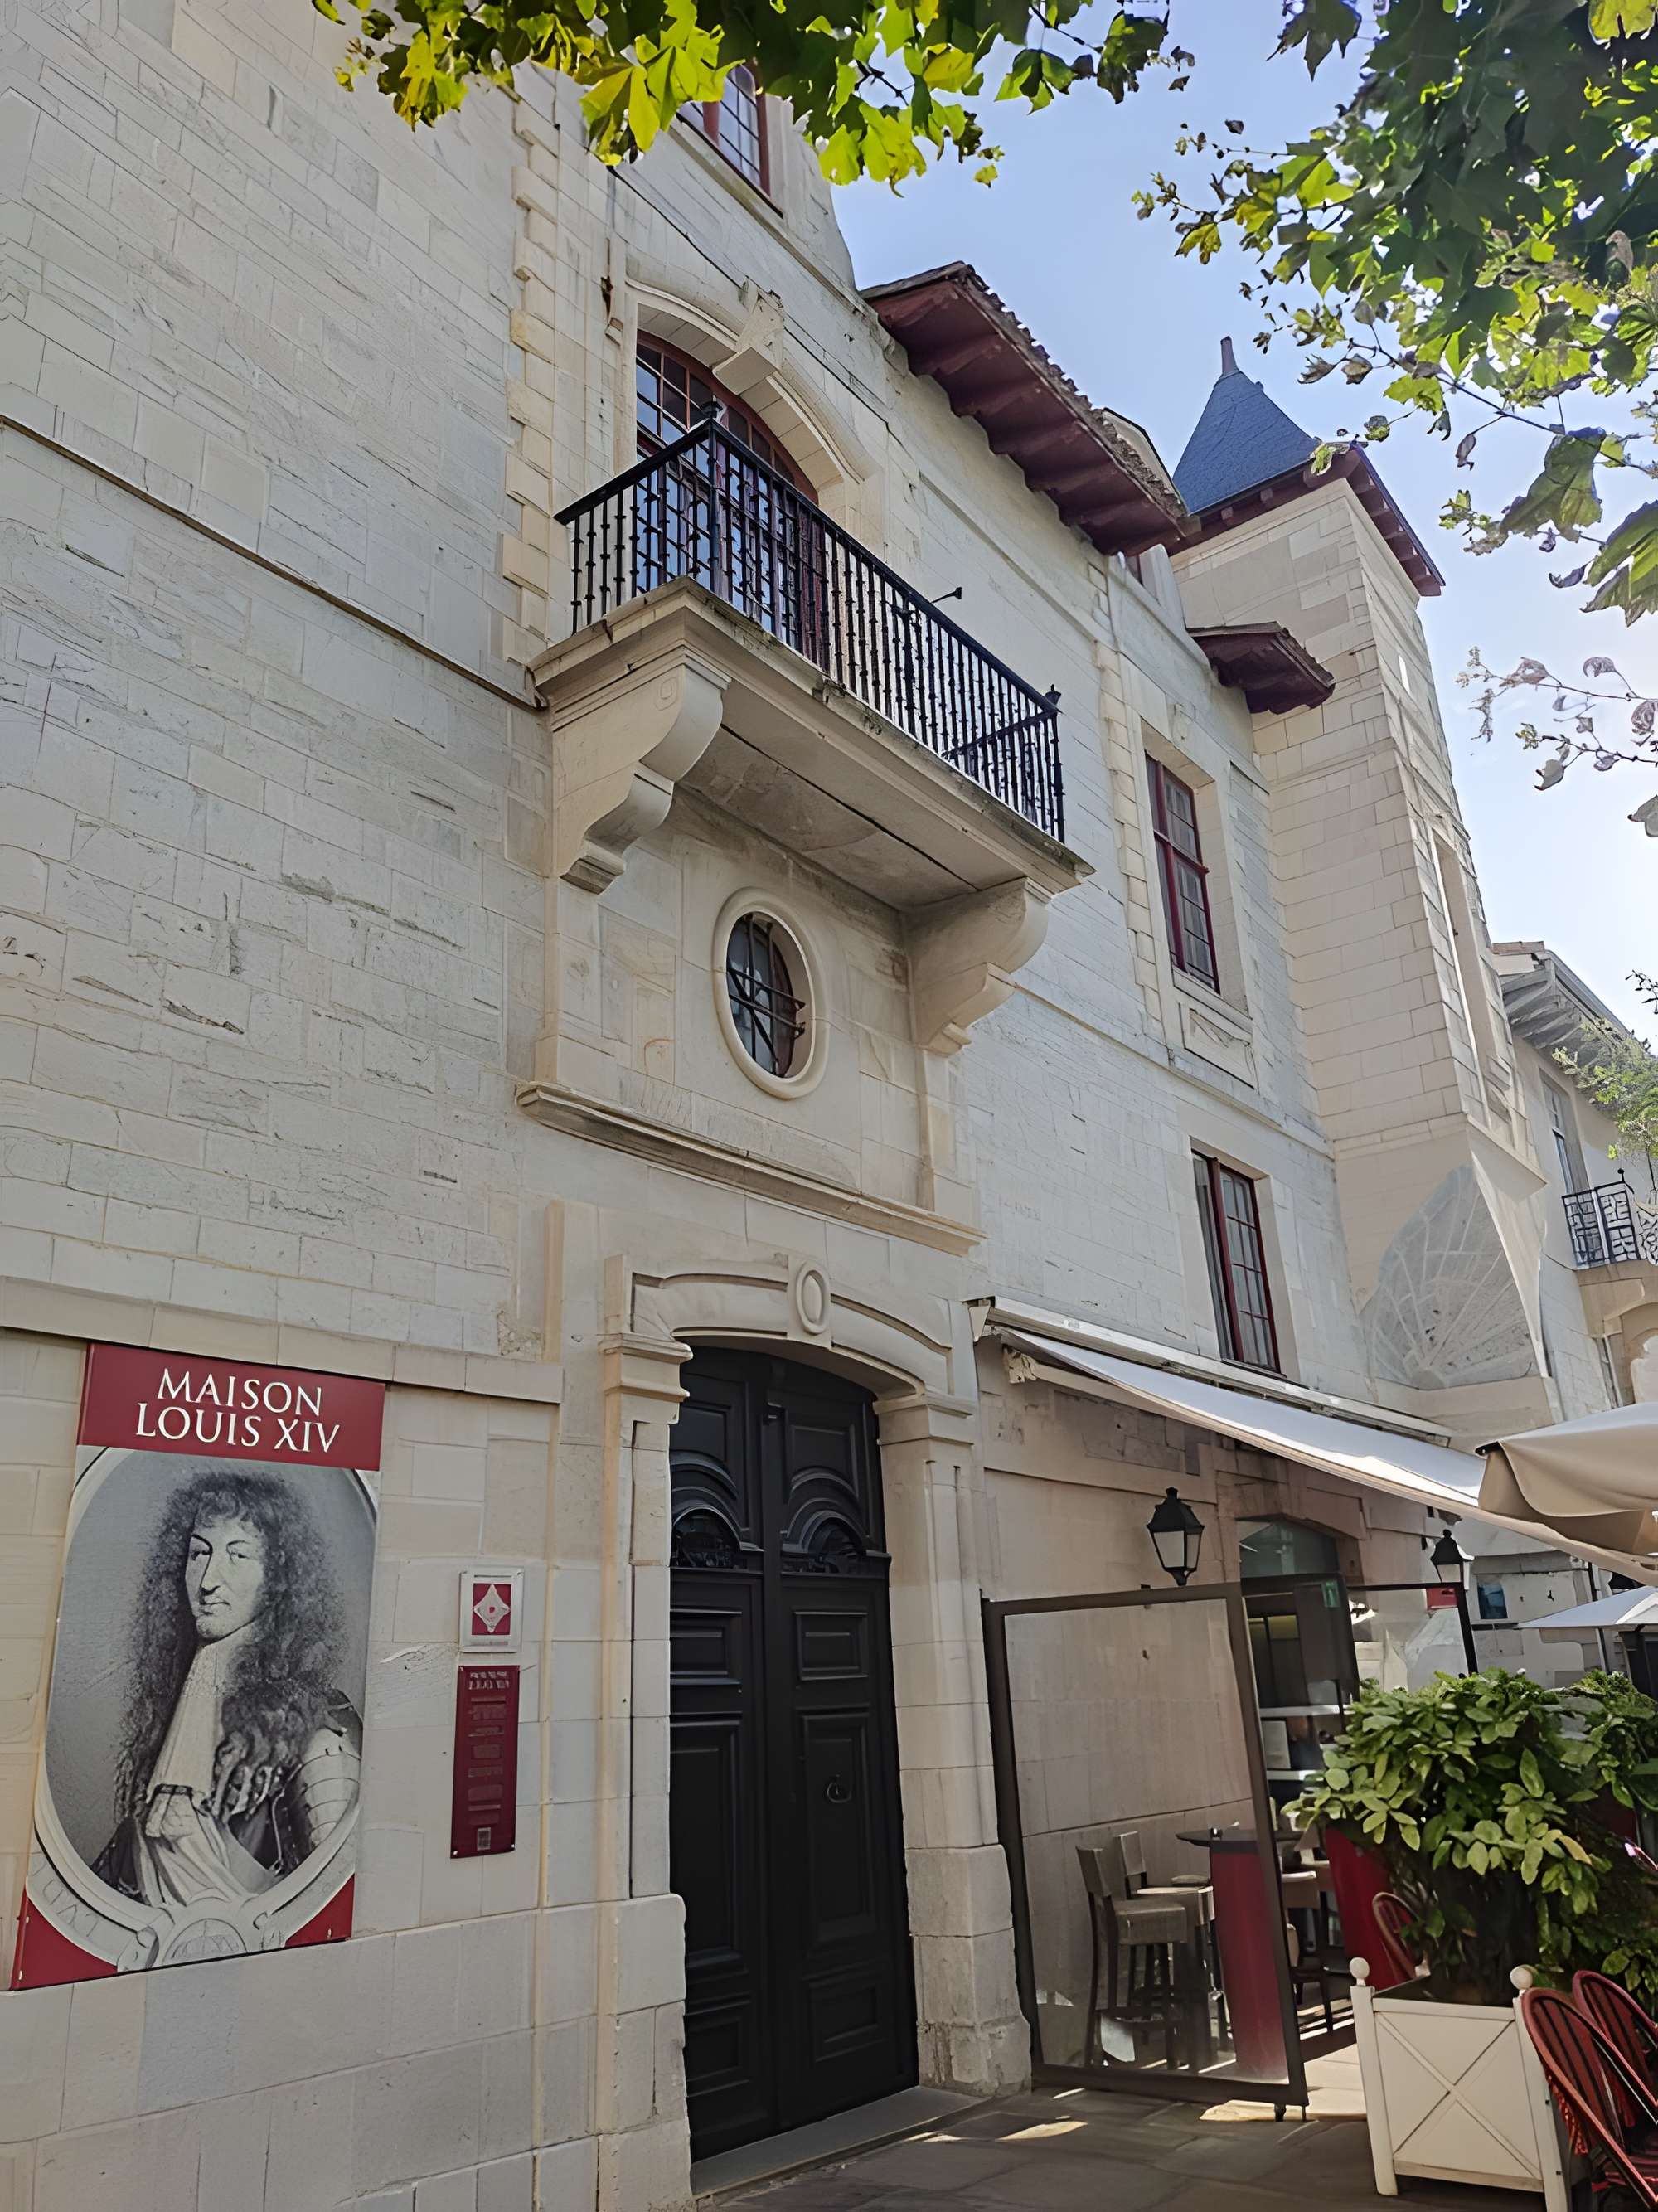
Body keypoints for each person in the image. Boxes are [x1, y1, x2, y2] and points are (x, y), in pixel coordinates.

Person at [95, 1470, 361, 1907]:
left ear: (279, 1578)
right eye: (199, 1554)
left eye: (238, 1556)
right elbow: (118, 1887)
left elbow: (329, 1895)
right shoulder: (168, 1726)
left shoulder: (320, 1731)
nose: (207, 1581)